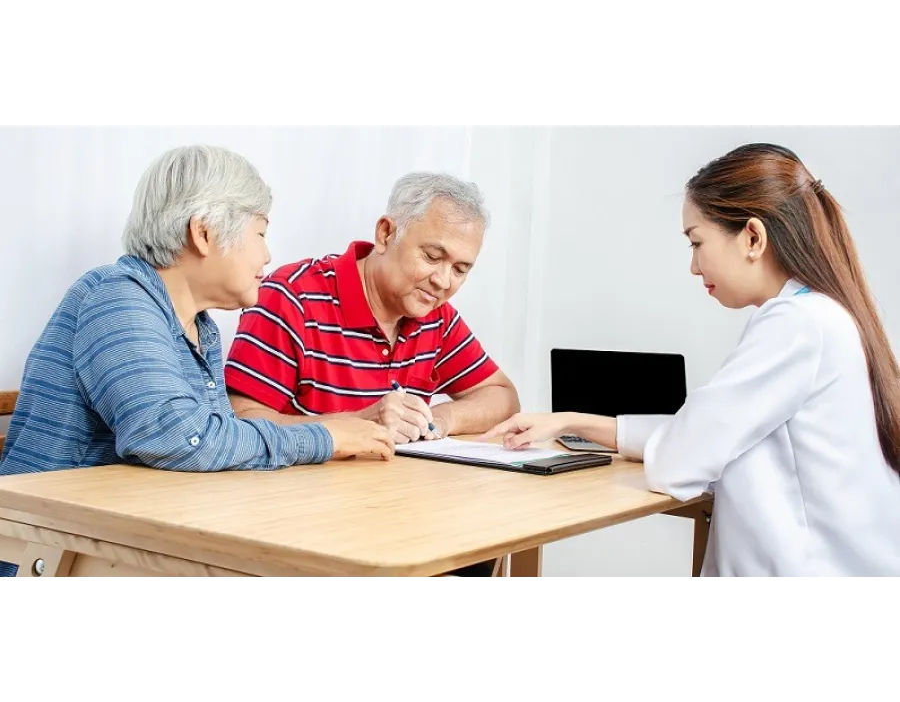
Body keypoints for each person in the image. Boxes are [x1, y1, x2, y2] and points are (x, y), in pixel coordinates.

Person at [483, 143, 900, 579]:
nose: (694, 267)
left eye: (697, 242)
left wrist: (583, 423)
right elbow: (702, 437)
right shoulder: (819, 315)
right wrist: (570, 421)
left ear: (753, 238)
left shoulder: (796, 324)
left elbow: (680, 459)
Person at [0, 145, 392, 480]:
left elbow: (220, 439)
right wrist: (326, 439)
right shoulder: (116, 300)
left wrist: (333, 429)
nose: (268, 255)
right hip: (51, 547)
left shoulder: (199, 327)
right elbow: (180, 440)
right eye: (260, 233)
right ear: (203, 233)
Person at [224, 171, 520, 580]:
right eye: (432, 257)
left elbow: (502, 395)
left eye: (461, 269)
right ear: (386, 234)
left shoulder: (434, 314)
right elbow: (240, 420)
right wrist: (358, 424)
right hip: (300, 539)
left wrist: (440, 419)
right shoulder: (290, 297)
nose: (443, 281)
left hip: (400, 530)